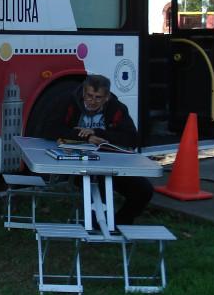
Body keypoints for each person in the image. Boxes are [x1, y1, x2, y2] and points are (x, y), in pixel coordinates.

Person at [46, 74, 153, 226]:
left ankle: (120, 223)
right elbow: (49, 128)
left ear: (107, 97)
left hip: (111, 164)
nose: (92, 101)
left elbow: (132, 138)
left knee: (144, 190)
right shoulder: (67, 102)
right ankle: (98, 225)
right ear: (83, 92)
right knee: (98, 186)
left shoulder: (117, 108)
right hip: (80, 165)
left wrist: (97, 133)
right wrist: (84, 137)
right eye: (89, 96)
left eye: (98, 97)